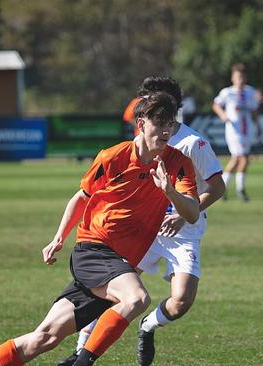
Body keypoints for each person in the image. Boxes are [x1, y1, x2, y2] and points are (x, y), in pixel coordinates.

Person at [0, 91, 200, 366]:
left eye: (170, 123)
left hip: (118, 264)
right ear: (141, 124)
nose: (166, 130)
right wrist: (58, 238)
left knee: (43, 338)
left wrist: (169, 192)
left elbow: (191, 213)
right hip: (94, 251)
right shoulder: (113, 157)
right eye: (159, 122)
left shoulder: (179, 163)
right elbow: (81, 197)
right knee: (137, 298)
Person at [58, 76, 225, 366]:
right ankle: (80, 353)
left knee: (182, 300)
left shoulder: (192, 143)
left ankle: (147, 326)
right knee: (109, 291)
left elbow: (218, 187)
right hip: (144, 230)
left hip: (183, 230)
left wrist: (182, 215)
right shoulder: (137, 143)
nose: (150, 108)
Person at [212, 63, 260, 202]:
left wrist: (257, 126)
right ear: (233, 78)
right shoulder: (227, 92)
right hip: (234, 130)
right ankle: (240, 189)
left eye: (243, 77)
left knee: (237, 159)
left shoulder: (250, 92)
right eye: (238, 77)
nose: (241, 80)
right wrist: (222, 115)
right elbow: (216, 104)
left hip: (247, 130)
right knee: (243, 157)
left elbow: (255, 110)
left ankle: (222, 189)